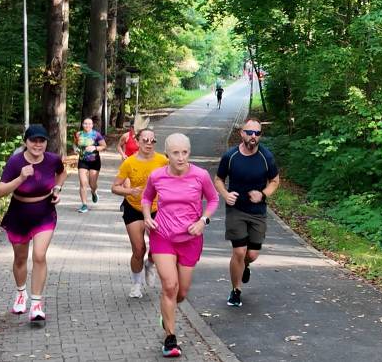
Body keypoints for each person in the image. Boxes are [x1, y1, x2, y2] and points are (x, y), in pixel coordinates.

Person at [142, 133, 218, 358]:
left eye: (185, 152)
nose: (181, 157)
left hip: (190, 239)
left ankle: (167, 313)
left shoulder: (200, 175)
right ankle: (170, 338)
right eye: (176, 153)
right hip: (162, 236)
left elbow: (213, 199)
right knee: (169, 287)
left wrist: (203, 221)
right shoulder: (157, 176)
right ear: (167, 154)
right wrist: (147, 216)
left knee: (181, 292)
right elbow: (147, 198)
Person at [0, 124, 67, 323]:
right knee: (20, 259)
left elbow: (62, 173)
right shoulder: (15, 161)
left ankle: (36, 304)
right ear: (25, 142)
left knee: (39, 255)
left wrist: (57, 189)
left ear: (46, 142)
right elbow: (0, 191)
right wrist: (20, 177)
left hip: (44, 212)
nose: (37, 144)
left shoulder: (53, 159)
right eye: (33, 140)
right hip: (19, 214)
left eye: (41, 140)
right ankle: (21, 293)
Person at [214, 117, 279, 307]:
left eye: (257, 133)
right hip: (236, 210)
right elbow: (218, 179)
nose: (253, 136)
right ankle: (236, 290)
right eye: (249, 132)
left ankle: (246, 266)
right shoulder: (231, 156)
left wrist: (263, 194)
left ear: (260, 136)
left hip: (257, 211)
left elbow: (275, 181)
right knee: (239, 251)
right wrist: (225, 195)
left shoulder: (266, 157)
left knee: (251, 255)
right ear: (242, 133)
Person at [111, 128, 168, 299]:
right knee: (138, 249)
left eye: (152, 141)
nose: (149, 144)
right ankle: (136, 284)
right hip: (134, 208)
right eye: (145, 140)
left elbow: (177, 176)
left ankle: (150, 264)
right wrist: (129, 191)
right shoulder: (129, 163)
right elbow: (114, 187)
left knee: (157, 249)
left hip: (156, 209)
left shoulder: (163, 161)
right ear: (137, 142)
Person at [73, 117, 106, 213]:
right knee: (83, 183)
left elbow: (104, 146)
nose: (87, 125)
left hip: (94, 161)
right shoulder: (78, 134)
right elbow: (75, 144)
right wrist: (75, 149)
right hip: (82, 161)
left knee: (92, 184)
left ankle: (94, 191)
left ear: (92, 125)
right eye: (85, 123)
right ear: (82, 124)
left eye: (89, 124)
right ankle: (84, 205)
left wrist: (94, 148)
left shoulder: (96, 135)